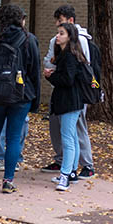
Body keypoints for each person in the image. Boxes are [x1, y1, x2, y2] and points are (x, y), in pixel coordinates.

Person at [0, 4, 40, 193]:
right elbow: (34, 71)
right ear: (20, 19)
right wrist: (34, 100)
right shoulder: (28, 40)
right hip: (20, 96)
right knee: (13, 138)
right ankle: (8, 181)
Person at [40, 5, 96, 178]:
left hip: (73, 95)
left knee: (74, 131)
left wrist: (52, 76)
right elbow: (51, 60)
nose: (57, 29)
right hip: (62, 93)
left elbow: (77, 70)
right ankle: (64, 163)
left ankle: (80, 166)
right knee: (60, 128)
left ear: (70, 22)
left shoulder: (78, 45)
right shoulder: (58, 43)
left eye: (60, 23)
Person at [44, 23, 88, 191]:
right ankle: (70, 173)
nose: (58, 36)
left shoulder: (69, 56)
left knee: (67, 138)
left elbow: (67, 80)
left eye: (61, 33)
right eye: (58, 33)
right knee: (72, 137)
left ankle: (65, 175)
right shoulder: (66, 54)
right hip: (71, 101)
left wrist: (51, 76)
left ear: (69, 37)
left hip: (69, 102)